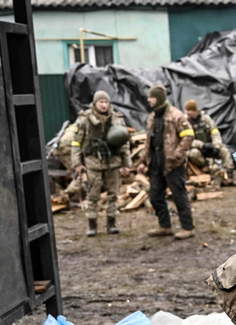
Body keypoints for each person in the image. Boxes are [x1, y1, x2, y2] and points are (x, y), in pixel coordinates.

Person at [137, 84, 195, 240]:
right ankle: (165, 226)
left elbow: (188, 135)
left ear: (159, 98)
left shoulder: (176, 116)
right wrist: (143, 161)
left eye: (152, 97)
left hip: (172, 164)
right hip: (155, 163)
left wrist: (177, 155)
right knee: (155, 195)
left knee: (179, 195)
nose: (149, 100)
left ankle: (187, 228)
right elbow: (148, 141)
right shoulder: (152, 117)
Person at [71, 90, 131, 237]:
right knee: (92, 195)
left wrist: (126, 164)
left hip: (113, 162)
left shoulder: (117, 119)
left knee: (113, 195)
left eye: (106, 102)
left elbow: (124, 144)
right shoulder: (84, 119)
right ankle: (92, 225)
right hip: (93, 162)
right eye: (101, 102)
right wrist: (77, 163)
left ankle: (111, 223)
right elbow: (76, 143)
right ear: (95, 103)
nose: (104, 105)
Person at [183, 99, 236, 186]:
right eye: (186, 110)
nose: (187, 113)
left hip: (210, 146)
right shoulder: (185, 122)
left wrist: (216, 146)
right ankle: (209, 170)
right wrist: (202, 145)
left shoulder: (205, 119)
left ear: (194, 110)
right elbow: (187, 139)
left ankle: (230, 176)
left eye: (189, 110)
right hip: (198, 149)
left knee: (224, 151)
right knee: (193, 153)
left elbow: (215, 132)